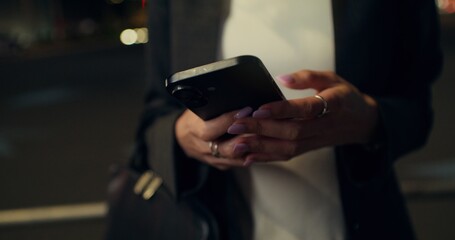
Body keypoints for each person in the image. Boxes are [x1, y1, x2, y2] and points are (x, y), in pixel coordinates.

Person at [136, 0, 442, 239]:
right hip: (222, 227)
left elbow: (416, 111)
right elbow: (153, 121)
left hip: (361, 226)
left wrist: (368, 119)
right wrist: (183, 136)